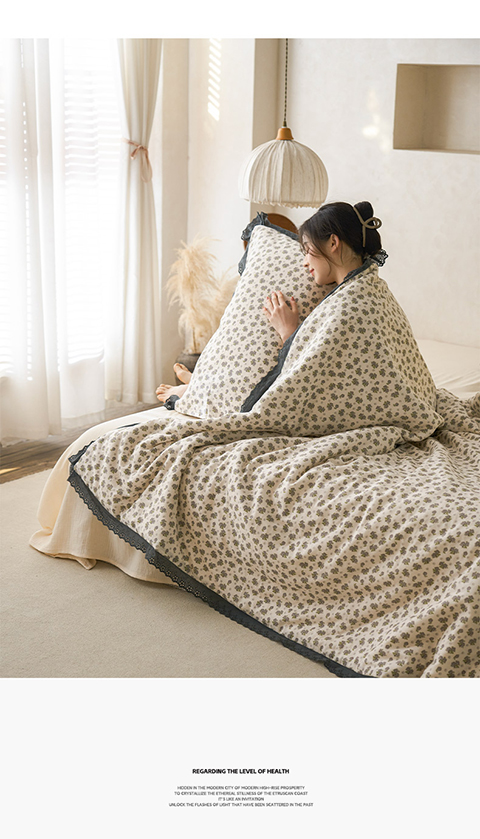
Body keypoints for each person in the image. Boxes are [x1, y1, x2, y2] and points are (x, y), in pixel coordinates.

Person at [155, 201, 387, 409]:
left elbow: (312, 379)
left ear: (333, 243)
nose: (304, 263)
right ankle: (200, 385)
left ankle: (196, 391)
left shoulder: (351, 301)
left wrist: (288, 331)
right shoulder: (357, 289)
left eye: (307, 251)